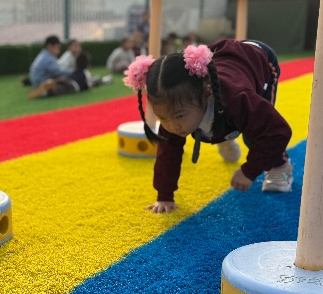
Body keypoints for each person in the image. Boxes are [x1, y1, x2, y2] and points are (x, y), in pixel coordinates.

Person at [123, 40, 293, 214]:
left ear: (207, 92)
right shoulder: (173, 110)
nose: (172, 126)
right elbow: (168, 153)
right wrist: (164, 195)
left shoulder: (239, 100)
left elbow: (277, 131)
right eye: (162, 117)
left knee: (255, 132)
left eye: (179, 116)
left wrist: (249, 171)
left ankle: (280, 166)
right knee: (196, 126)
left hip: (258, 59)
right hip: (221, 81)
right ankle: (224, 135)